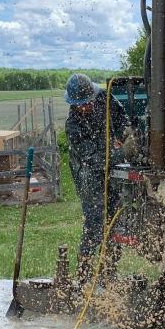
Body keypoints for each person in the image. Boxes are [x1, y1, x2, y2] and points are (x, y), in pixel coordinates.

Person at [64, 73, 129, 283]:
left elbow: (123, 122)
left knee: (114, 221)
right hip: (88, 173)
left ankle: (109, 273)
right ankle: (83, 275)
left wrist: (127, 134)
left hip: (111, 171)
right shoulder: (72, 125)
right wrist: (124, 152)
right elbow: (95, 160)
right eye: (80, 105)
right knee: (95, 222)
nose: (84, 108)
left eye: (86, 103)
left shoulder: (105, 99)